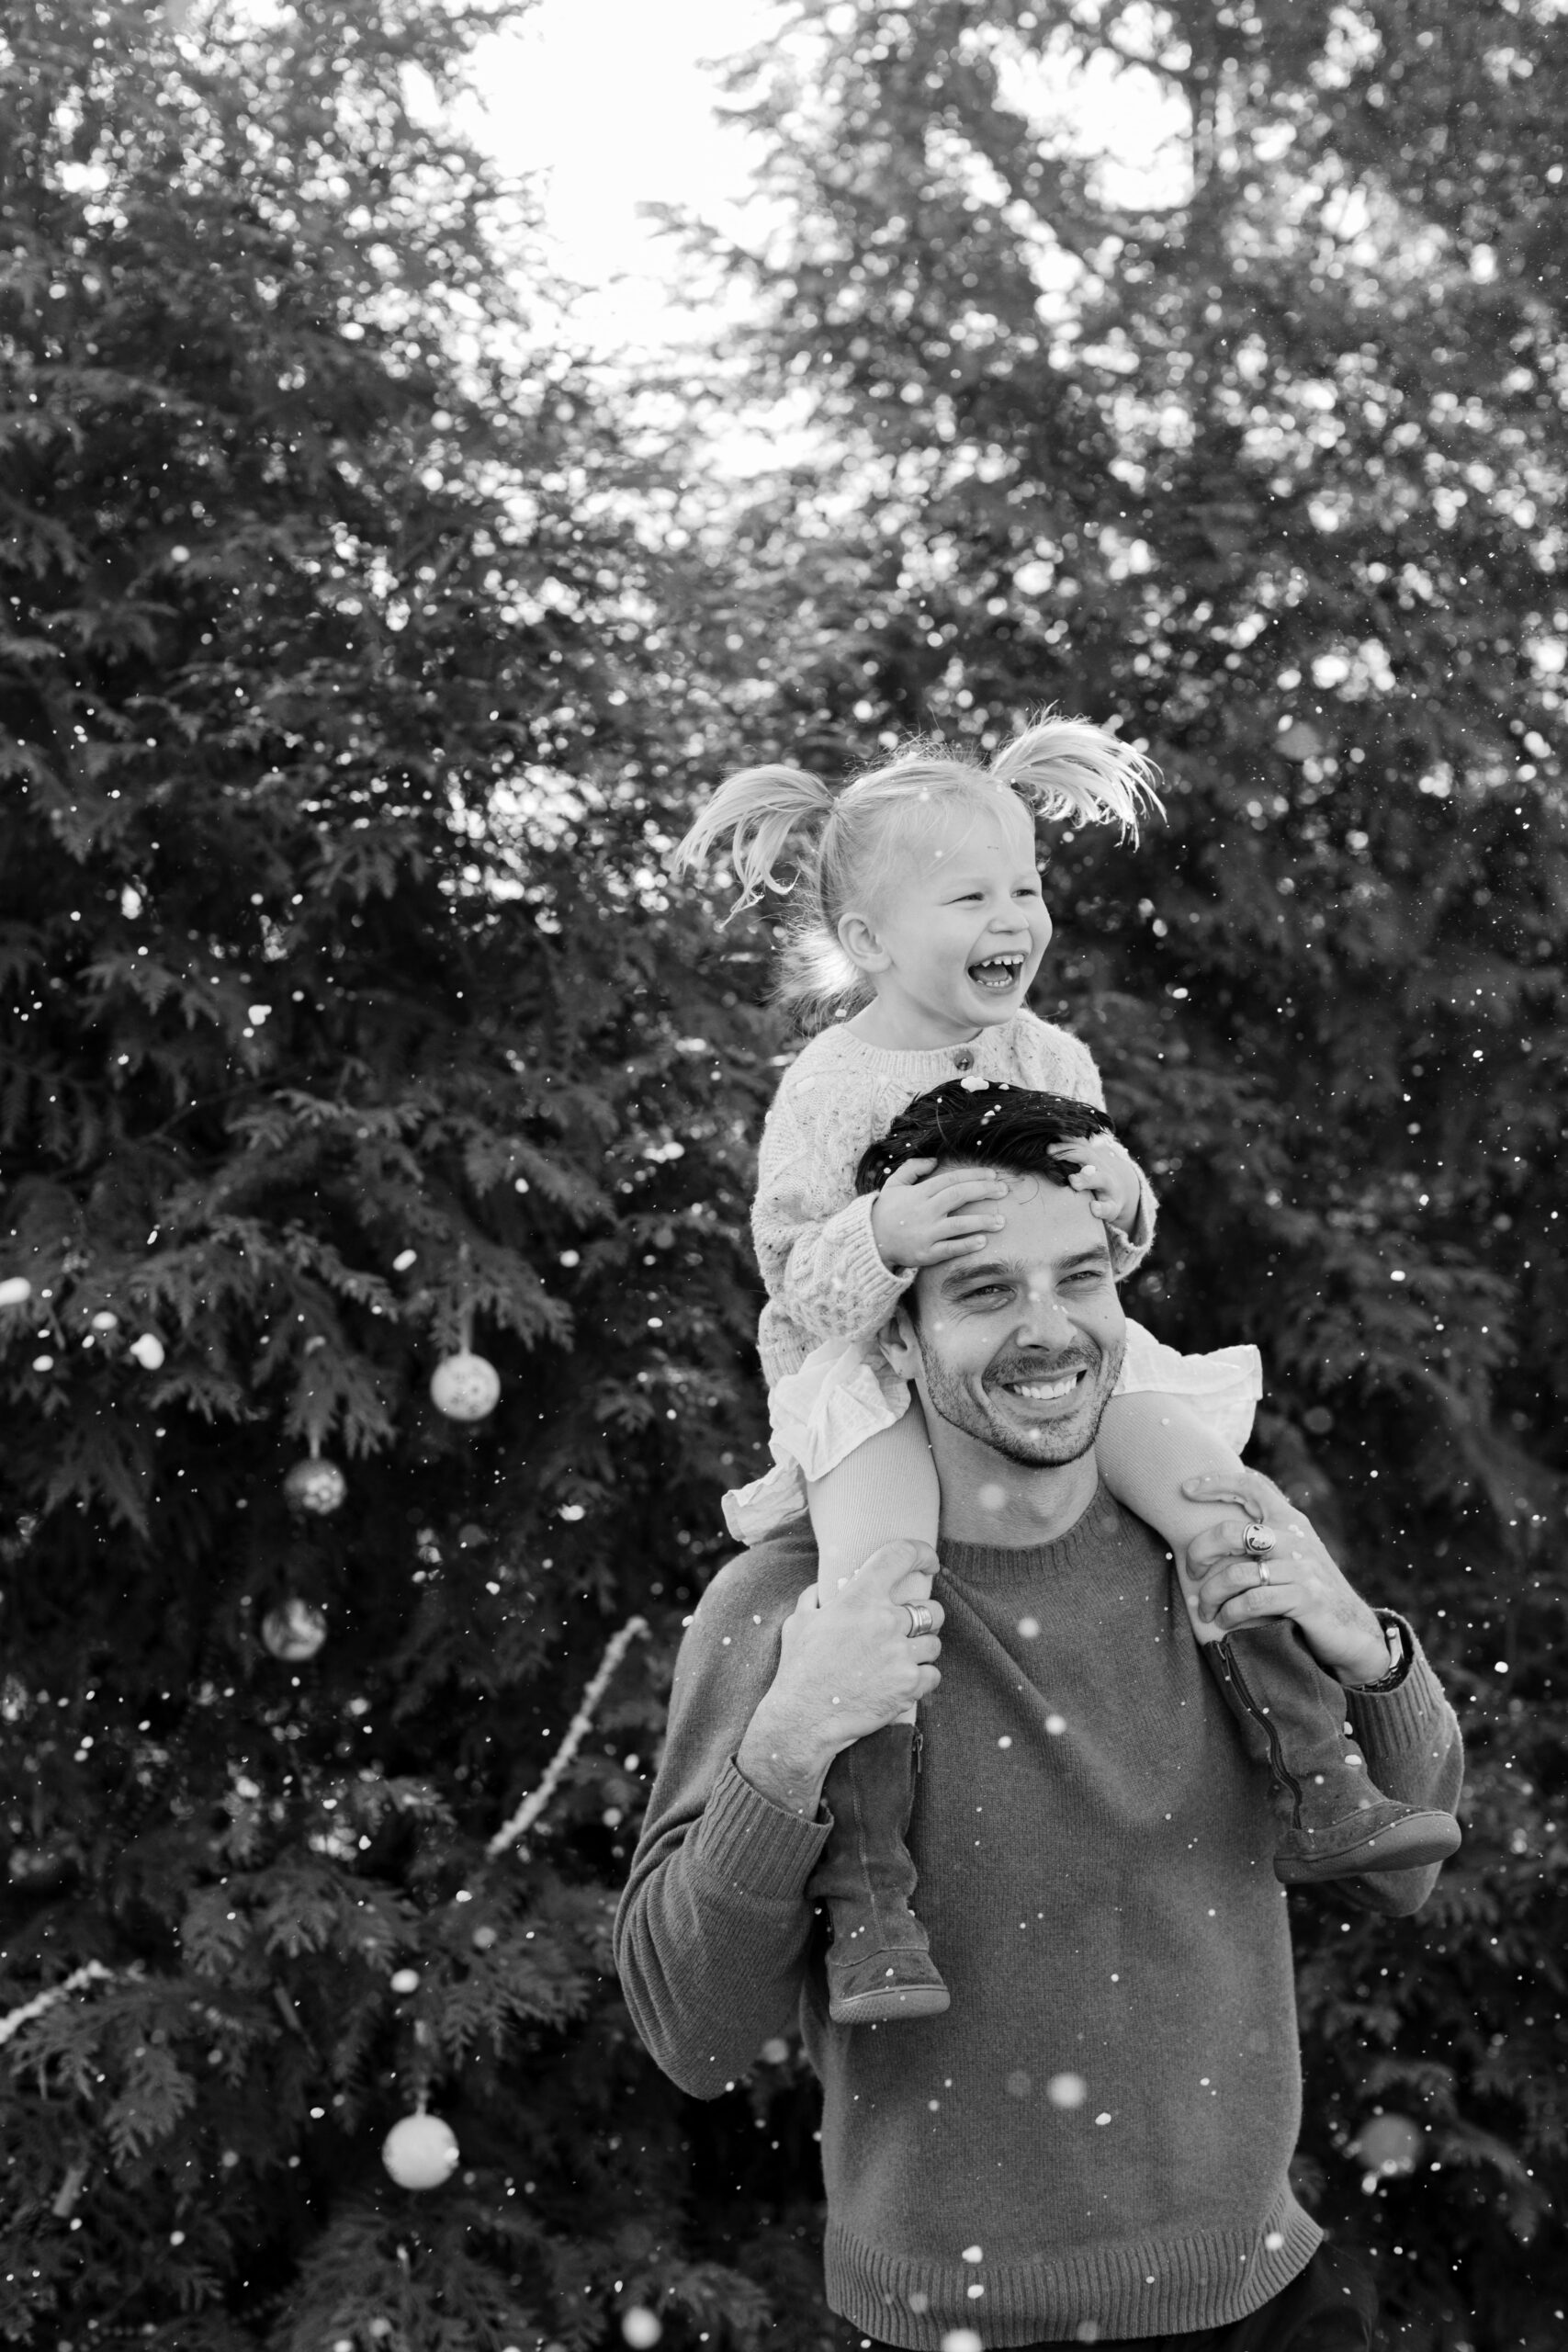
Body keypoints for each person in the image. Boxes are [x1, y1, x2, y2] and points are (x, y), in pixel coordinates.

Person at [614, 1085, 1464, 2351]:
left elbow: (1412, 1869)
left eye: (1082, 1278)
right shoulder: (791, 1608)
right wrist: (789, 1741)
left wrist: (1368, 1652)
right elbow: (693, 2033)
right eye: (986, 1291)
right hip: (952, 2324)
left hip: (1263, 2299)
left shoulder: (1209, 1532)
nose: (1053, 1330)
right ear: (893, 1339)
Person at [669, 726, 1458, 2026]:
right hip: (863, 1375)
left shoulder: (1054, 1060)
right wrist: (881, 1237)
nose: (1013, 916)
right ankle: (871, 1896)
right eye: (970, 894)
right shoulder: (830, 1086)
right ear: (870, 942)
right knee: (882, 1598)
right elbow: (792, 1277)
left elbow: (1101, 1246)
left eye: (1027, 885)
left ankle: (1322, 1777)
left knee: (1220, 1507)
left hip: (1047, 1352)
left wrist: (1122, 1196)